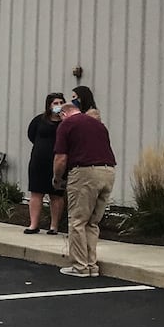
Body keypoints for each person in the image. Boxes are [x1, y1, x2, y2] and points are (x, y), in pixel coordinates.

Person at [52, 102, 117, 276]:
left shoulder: (67, 124)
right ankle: (91, 264)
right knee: (92, 222)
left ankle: (80, 266)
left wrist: (57, 178)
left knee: (77, 220)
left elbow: (60, 158)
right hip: (108, 171)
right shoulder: (98, 125)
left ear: (64, 114)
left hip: (85, 172)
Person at [25, 92, 68, 235]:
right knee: (36, 192)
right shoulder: (39, 120)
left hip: (58, 163)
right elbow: (31, 135)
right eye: (55, 103)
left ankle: (54, 226)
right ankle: (33, 224)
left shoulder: (66, 122)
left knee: (56, 194)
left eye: (61, 103)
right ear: (49, 105)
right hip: (38, 162)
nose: (58, 106)